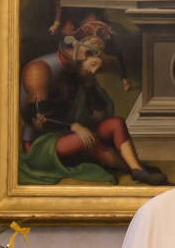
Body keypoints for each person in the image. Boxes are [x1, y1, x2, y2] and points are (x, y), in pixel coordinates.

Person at [19, 37, 166, 185]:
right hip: (41, 144)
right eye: (93, 64)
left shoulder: (81, 73)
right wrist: (74, 127)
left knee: (116, 123)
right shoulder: (39, 69)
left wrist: (88, 86)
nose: (95, 71)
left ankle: (136, 168)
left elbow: (99, 115)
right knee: (88, 139)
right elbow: (38, 118)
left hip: (70, 134)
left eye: (99, 68)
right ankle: (132, 168)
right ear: (82, 56)